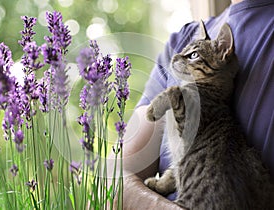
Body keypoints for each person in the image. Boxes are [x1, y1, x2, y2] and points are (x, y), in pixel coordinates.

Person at [117, 0, 274, 209]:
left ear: (223, 52)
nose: (177, 58)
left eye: (191, 56)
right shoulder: (184, 35)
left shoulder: (194, 93)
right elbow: (115, 184)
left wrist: (173, 95)